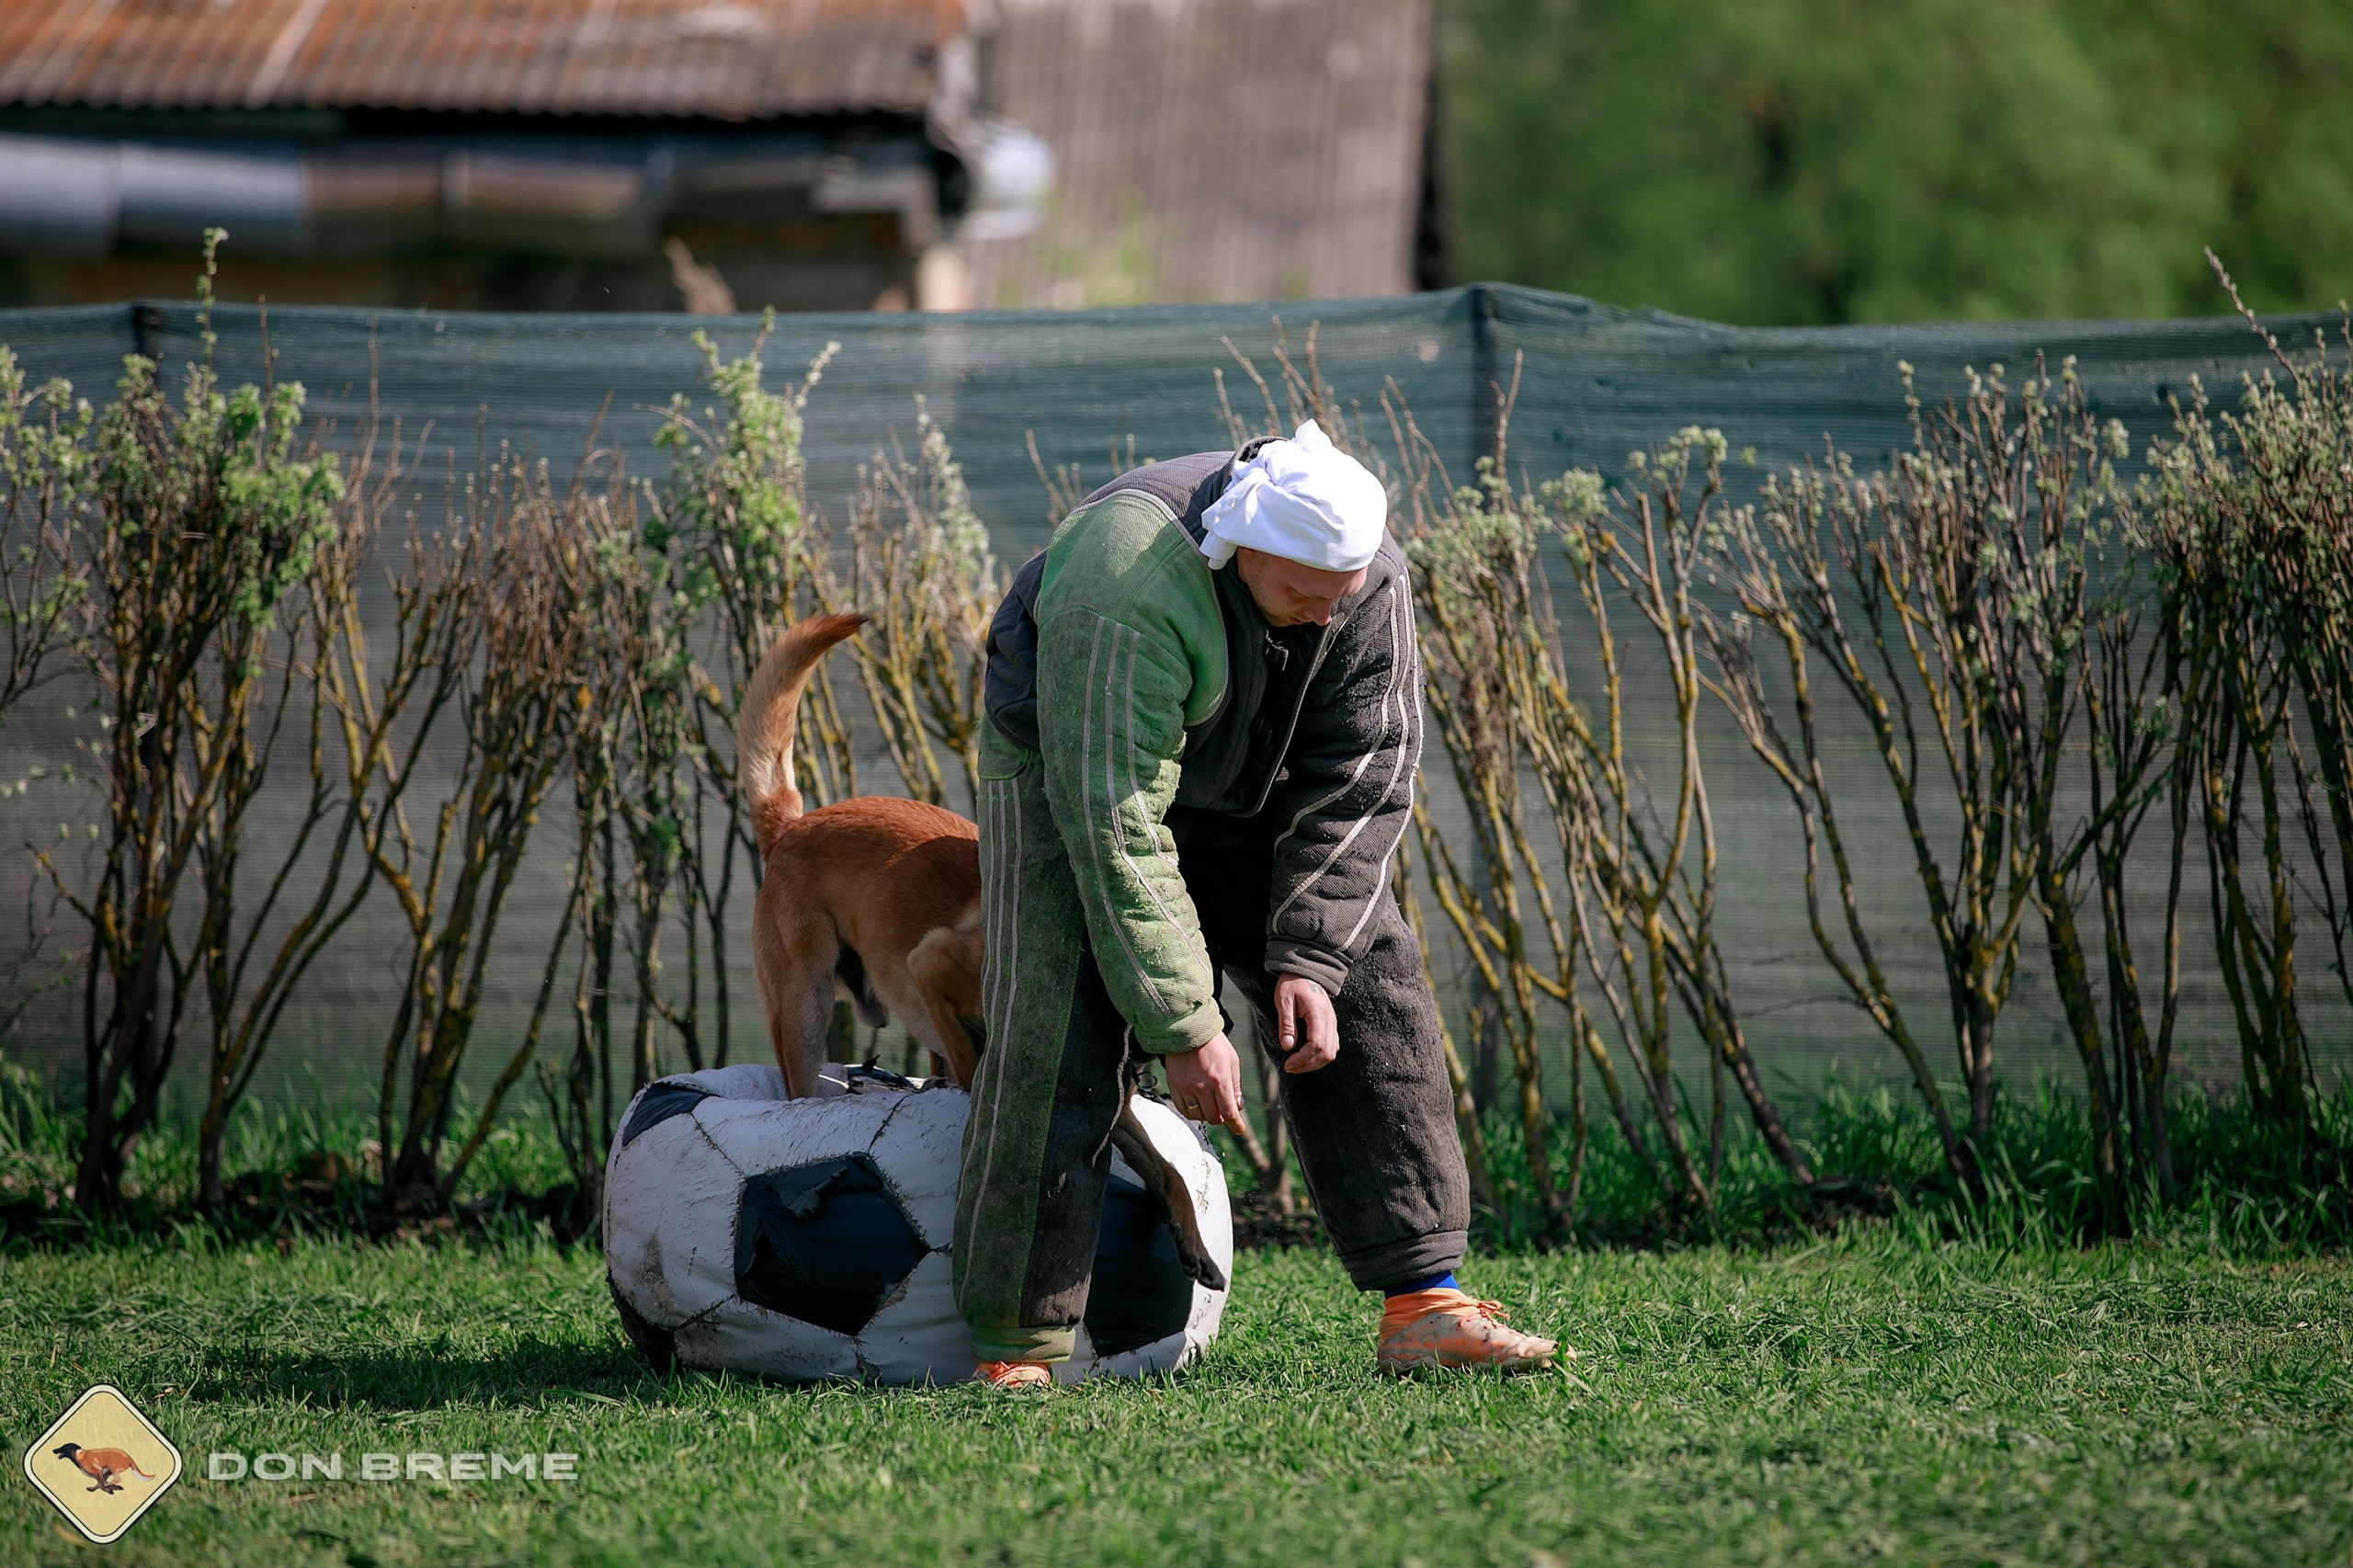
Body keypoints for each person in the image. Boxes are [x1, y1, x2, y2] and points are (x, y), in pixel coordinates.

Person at [952, 419, 1563, 1387]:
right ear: (1243, 552)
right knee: (1056, 1026)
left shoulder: (1364, 578)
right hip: (1072, 775)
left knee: (1364, 979)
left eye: (1342, 596)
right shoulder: (1129, 578)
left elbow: (1362, 777)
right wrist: (1185, 1020)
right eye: (1300, 596)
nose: (1326, 616)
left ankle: (1425, 1303)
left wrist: (1310, 956)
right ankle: (1014, 1348)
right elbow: (1116, 822)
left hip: (1252, 781)